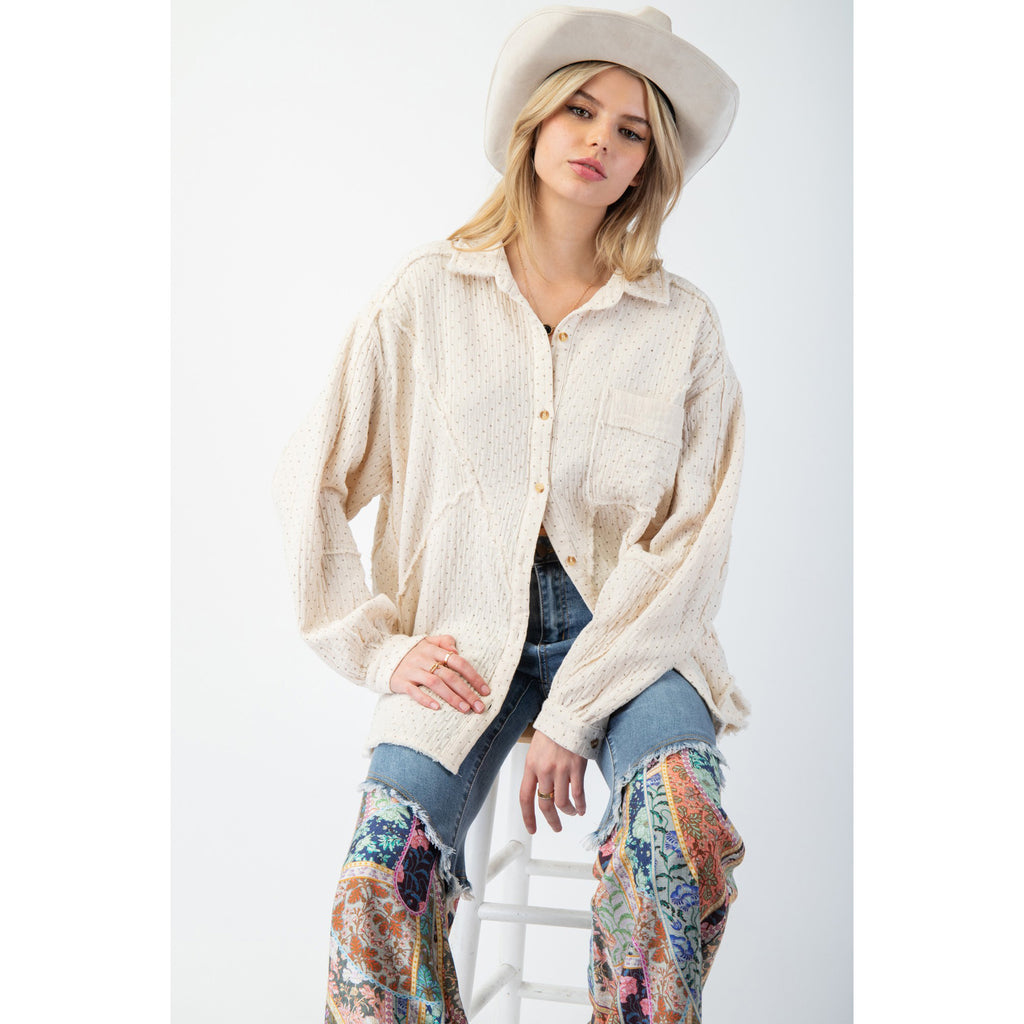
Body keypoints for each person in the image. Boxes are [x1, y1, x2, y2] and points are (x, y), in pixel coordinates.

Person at [273, 6, 750, 1022]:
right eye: (581, 110)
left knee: (683, 827)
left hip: (629, 638)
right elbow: (309, 475)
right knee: (374, 890)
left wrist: (571, 714)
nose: (600, 139)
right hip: (461, 640)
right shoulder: (426, 295)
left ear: (647, 166)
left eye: (630, 130)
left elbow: (691, 547)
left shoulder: (683, 328)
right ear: (535, 121)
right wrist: (375, 648)